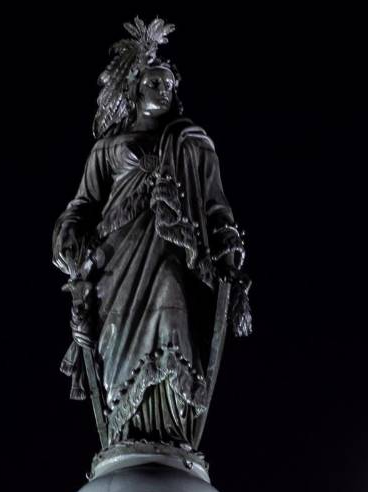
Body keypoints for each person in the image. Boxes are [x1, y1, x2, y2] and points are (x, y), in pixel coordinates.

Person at [53, 18, 250, 449]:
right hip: (115, 262)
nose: (162, 90)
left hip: (174, 253)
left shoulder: (192, 143)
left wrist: (227, 242)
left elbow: (216, 205)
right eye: (152, 83)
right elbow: (82, 205)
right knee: (116, 342)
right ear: (135, 89)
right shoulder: (107, 148)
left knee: (171, 297)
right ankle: (124, 435)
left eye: (167, 84)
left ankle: (172, 432)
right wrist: (69, 239)